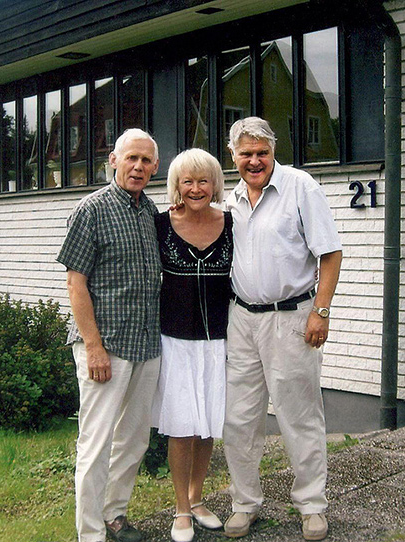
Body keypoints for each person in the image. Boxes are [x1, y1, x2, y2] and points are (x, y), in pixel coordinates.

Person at [221, 117, 342, 541]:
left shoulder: (300, 187)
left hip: (292, 318)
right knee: (238, 419)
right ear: (233, 155)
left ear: (274, 152)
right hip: (241, 320)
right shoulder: (229, 198)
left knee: (299, 416)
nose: (255, 161)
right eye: (246, 153)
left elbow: (330, 254)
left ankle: (311, 506)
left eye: (263, 153)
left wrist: (320, 313)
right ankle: (244, 503)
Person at [57, 128, 162, 542]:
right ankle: (90, 534)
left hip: (146, 345)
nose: (138, 166)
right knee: (96, 444)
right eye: (131, 158)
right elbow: (75, 283)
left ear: (155, 168)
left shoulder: (150, 211)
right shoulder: (92, 209)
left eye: (146, 161)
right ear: (114, 160)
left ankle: (114, 515)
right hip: (105, 347)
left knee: (133, 439)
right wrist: (93, 346)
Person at [152, 149, 231, 542]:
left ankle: (198, 499)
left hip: (219, 340)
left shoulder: (232, 223)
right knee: (182, 427)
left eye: (203, 181)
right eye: (188, 181)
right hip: (175, 340)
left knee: (207, 426)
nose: (196, 188)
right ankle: (181, 509)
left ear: (215, 184)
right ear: (176, 186)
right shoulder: (160, 223)